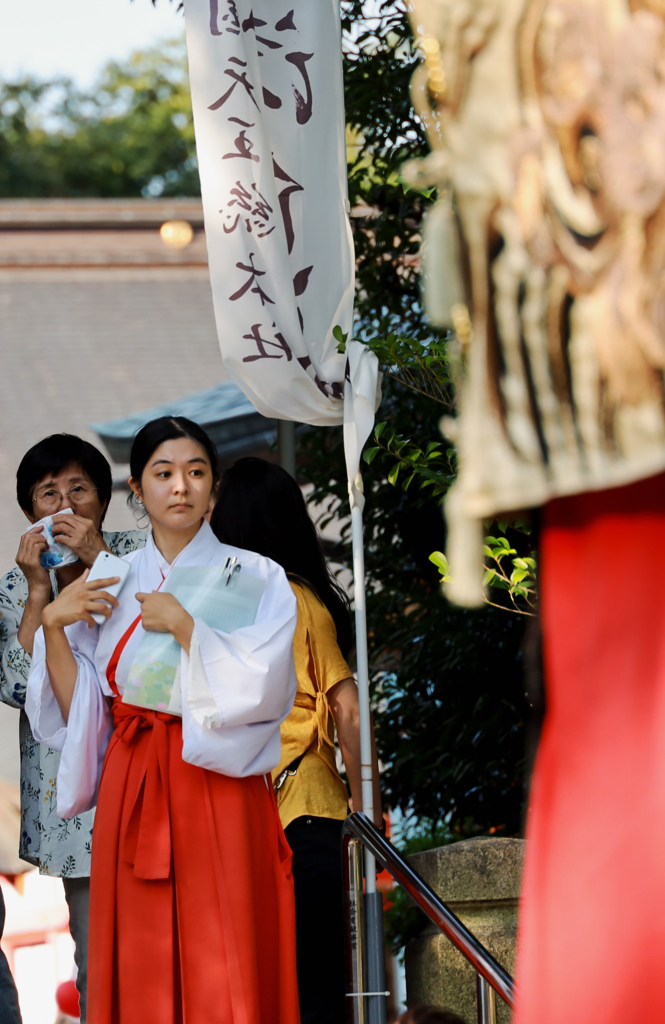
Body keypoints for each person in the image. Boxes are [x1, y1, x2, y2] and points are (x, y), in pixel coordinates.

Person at [25, 417, 300, 1024]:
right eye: (164, 473)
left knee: (224, 940)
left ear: (215, 488)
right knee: (141, 952)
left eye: (196, 472)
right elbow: (83, 714)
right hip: (136, 778)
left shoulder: (254, 575)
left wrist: (185, 625)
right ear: (137, 490)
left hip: (218, 778)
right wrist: (53, 625)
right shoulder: (110, 582)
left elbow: (265, 688)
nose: (181, 487)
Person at [210, 456, 382, 1024]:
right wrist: (370, 810)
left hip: (251, 820)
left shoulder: (222, 603)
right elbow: (348, 709)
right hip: (308, 813)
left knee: (270, 987)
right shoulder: (300, 598)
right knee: (319, 987)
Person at [0, 434, 146, 1023]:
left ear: (103, 500)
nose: (66, 503)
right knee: (99, 958)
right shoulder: (14, 586)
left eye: (79, 488)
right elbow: (16, 686)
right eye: (48, 493)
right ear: (31, 511)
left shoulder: (138, 553)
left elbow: (149, 647)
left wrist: (98, 557)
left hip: (148, 776)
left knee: (164, 945)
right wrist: (40, 590)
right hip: (72, 803)